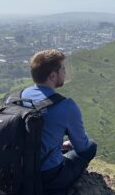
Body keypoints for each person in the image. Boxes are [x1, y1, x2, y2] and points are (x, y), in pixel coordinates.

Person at [22, 49, 97, 195]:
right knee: (91, 146)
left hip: (17, 167)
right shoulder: (65, 105)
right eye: (63, 68)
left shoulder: (20, 96)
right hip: (47, 175)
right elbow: (82, 147)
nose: (65, 72)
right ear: (53, 75)